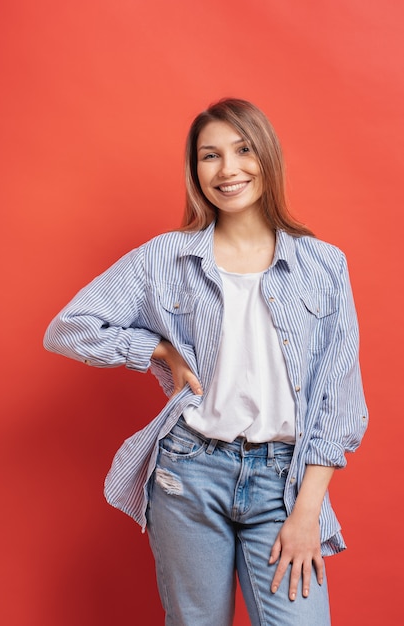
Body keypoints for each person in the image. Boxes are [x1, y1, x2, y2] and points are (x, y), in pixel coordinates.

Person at [44, 98, 368, 626]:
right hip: (187, 474)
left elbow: (338, 402)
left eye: (242, 150)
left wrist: (306, 511)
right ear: (196, 171)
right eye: (209, 156)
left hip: (282, 482)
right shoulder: (166, 258)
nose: (228, 169)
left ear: (267, 156)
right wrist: (153, 348)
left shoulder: (323, 266)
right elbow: (67, 329)